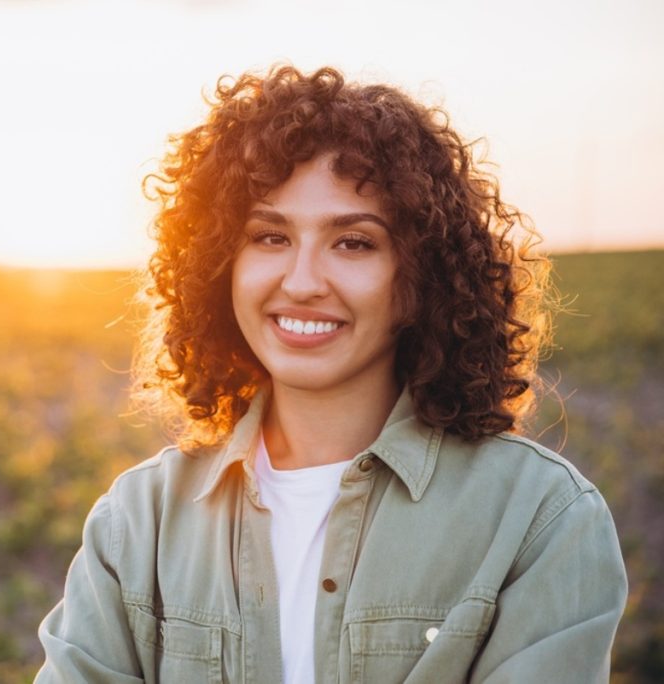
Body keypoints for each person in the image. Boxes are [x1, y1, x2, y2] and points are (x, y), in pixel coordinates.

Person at [35, 65, 627, 683]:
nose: (302, 282)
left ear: (423, 277)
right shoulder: (139, 522)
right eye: (269, 237)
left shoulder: (539, 518)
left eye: (353, 243)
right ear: (218, 267)